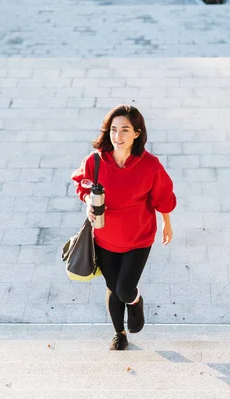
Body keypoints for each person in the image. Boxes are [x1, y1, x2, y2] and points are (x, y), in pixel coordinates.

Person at [71, 104, 177, 350]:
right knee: (112, 288)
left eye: (125, 130)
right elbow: (83, 186)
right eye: (113, 130)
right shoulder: (95, 161)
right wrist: (88, 201)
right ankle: (120, 333)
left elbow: (163, 197)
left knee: (125, 289)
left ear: (137, 133)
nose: (117, 137)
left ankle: (136, 301)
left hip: (139, 237)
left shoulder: (150, 165)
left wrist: (166, 224)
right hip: (105, 237)